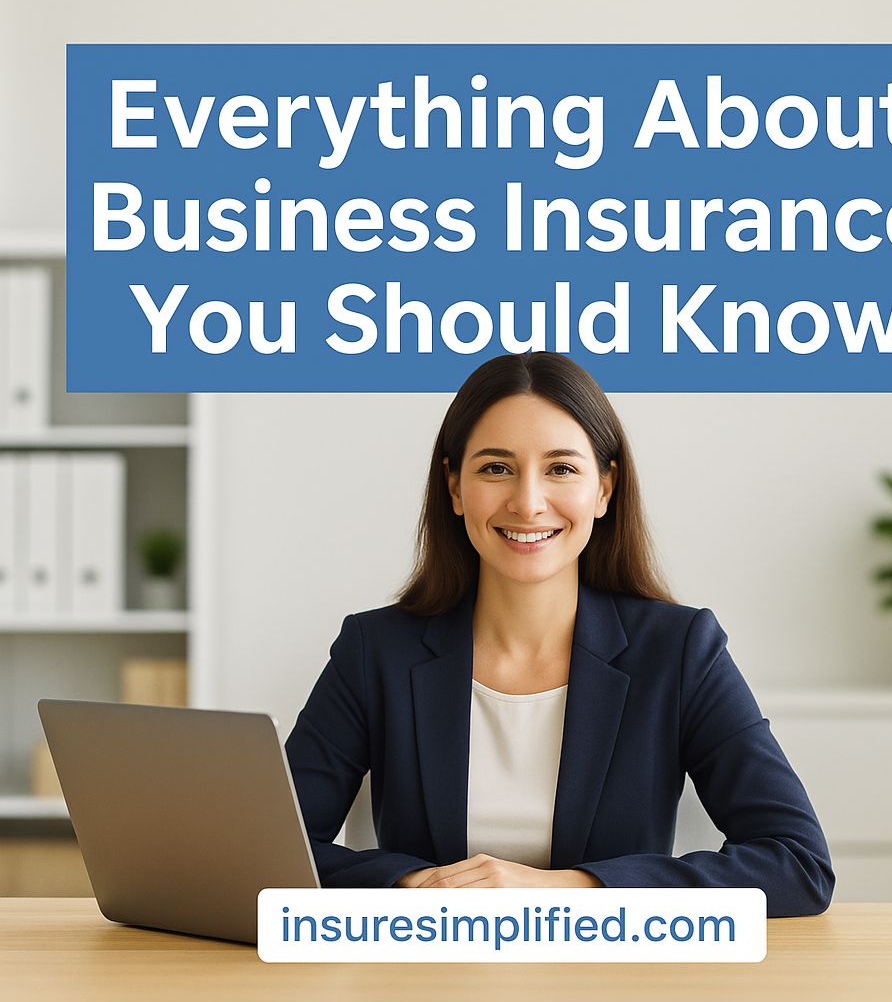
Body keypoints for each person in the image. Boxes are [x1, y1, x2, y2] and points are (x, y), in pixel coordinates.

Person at [285, 352, 834, 916]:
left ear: (605, 488)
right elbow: (275, 853)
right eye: (495, 468)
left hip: (607, 964)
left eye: (562, 469)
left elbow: (797, 864)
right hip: (431, 960)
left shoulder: (680, 651)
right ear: (454, 486)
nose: (527, 503)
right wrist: (418, 887)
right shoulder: (374, 651)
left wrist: (564, 890)